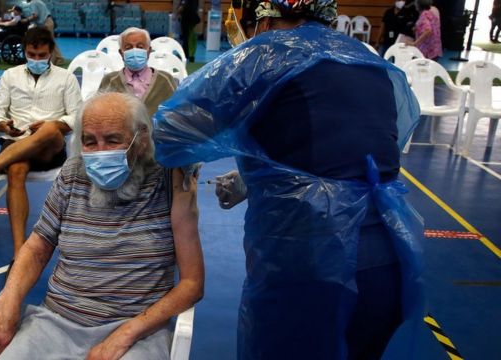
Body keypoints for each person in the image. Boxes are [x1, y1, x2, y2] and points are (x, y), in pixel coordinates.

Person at [152, 1, 424, 359]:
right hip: (388, 258)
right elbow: (358, 150)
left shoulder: (266, 53)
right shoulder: (364, 58)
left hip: (312, 261)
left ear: (266, 18)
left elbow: (171, 133)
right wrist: (259, 172)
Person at [0, 92, 204, 359]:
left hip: (137, 330)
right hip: (56, 321)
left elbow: (192, 283)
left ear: (141, 139)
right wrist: (7, 302)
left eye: (112, 140)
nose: (100, 152)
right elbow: (37, 248)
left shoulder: (170, 182)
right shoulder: (73, 173)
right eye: (89, 141)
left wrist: (125, 335)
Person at [0, 26, 81, 260]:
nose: (36, 60)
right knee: (16, 170)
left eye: (41, 55)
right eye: (31, 55)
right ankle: (19, 251)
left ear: (51, 52)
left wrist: (53, 123)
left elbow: (77, 116)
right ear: (25, 51)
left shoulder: (65, 78)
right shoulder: (10, 75)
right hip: (16, 141)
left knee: (47, 129)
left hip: (51, 145)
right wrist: (4, 125)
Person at [98, 27, 178, 118]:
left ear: (149, 51)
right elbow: (99, 113)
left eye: (140, 47)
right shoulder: (110, 81)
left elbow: (176, 112)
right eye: (128, 48)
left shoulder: (164, 80)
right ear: (121, 53)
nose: (134, 51)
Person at [24, 0, 65, 65]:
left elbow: (35, 15)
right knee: (51, 41)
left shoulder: (33, 3)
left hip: (46, 23)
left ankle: (54, 60)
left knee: (49, 42)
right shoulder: (38, 1)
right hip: (48, 21)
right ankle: (59, 59)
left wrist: (26, 19)